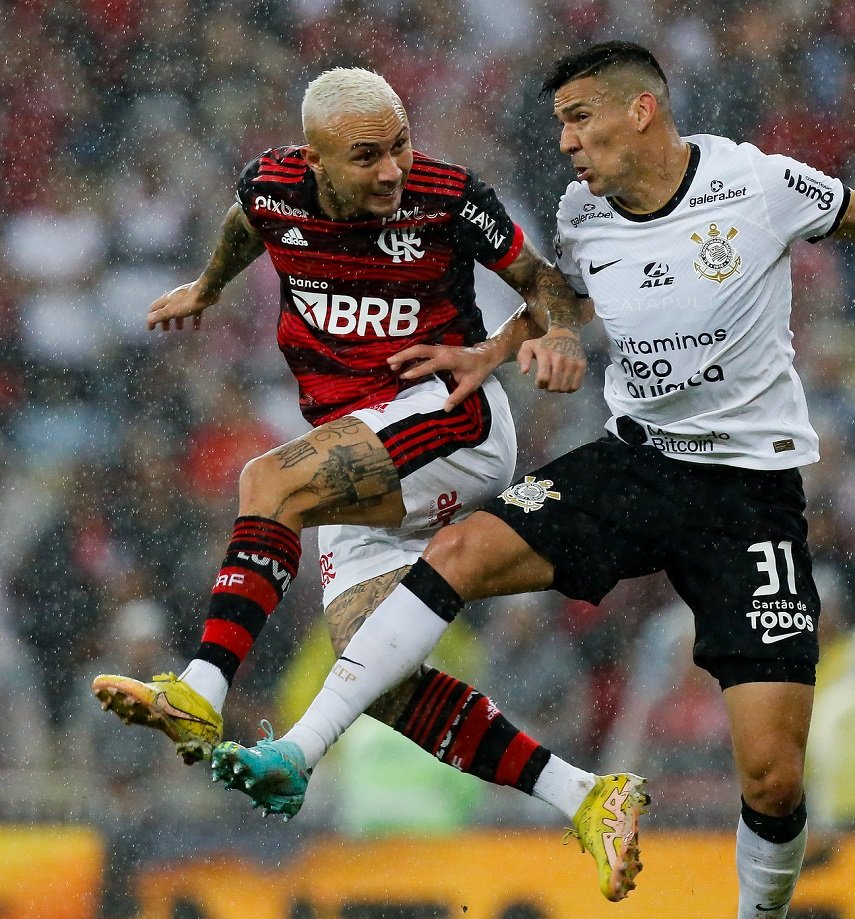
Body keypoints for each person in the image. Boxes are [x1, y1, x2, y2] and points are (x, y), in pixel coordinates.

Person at [215, 42, 855, 919]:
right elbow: (557, 297)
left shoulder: (757, 184)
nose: (565, 144)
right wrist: (498, 350)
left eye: (578, 120)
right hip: (637, 463)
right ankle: (299, 748)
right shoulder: (581, 212)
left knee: (772, 774)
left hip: (750, 494)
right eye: (560, 126)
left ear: (640, 110)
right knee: (460, 549)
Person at [89, 68, 646, 902]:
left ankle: (202, 688)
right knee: (377, 673)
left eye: (400, 145)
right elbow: (249, 223)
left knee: (267, 480)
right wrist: (208, 286)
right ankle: (584, 794)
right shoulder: (273, 188)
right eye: (366, 156)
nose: (392, 170)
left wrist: (559, 336)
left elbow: (544, 281)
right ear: (314, 160)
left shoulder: (448, 197)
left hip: (451, 418)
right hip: (358, 447)